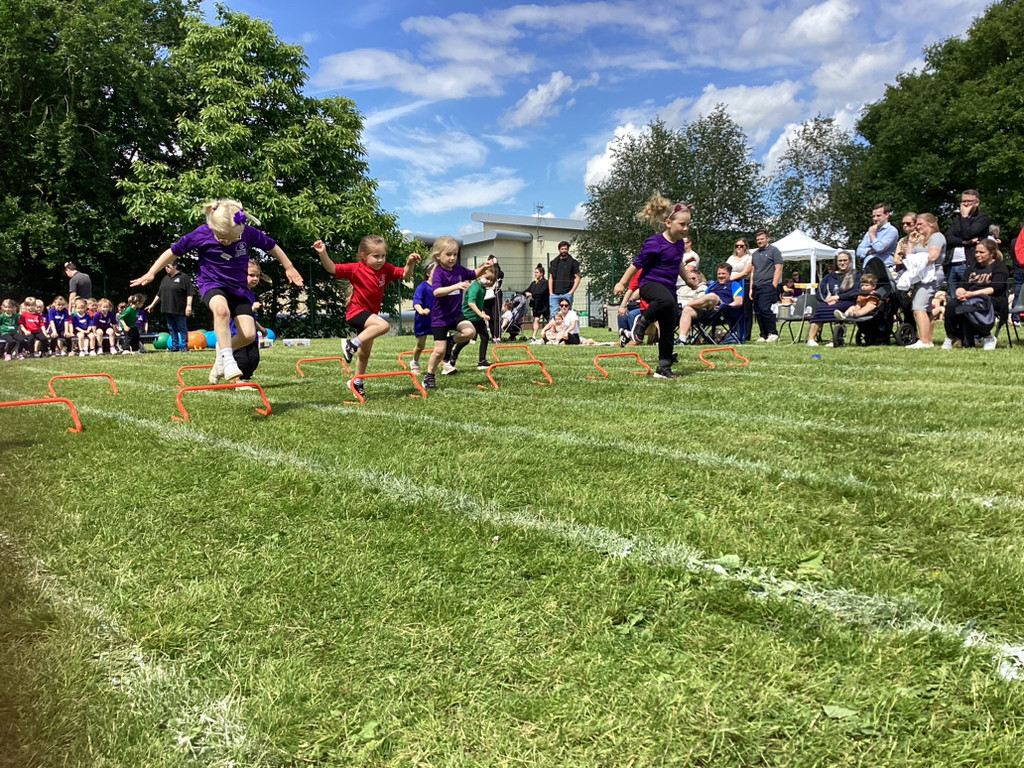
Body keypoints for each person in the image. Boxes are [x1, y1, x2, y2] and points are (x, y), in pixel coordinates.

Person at [131, 198, 304, 383]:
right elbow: (172, 252)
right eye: (222, 238)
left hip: (238, 289)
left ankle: (221, 355)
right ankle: (228, 361)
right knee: (221, 311)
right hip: (211, 284)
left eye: (232, 238)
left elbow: (272, 246)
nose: (227, 241)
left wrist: (289, 267)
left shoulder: (247, 232)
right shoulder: (201, 234)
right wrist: (152, 272)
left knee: (248, 335)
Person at [313, 235, 420, 398]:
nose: (380, 260)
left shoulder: (386, 269)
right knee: (384, 326)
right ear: (363, 255)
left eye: (383, 256)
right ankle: (351, 344)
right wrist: (322, 253)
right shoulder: (356, 269)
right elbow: (332, 268)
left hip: (370, 317)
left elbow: (405, 274)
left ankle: (357, 382)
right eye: (376, 256)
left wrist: (410, 262)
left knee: (365, 354)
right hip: (356, 313)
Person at [613, 194, 692, 379]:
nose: (686, 228)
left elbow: (679, 264)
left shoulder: (679, 244)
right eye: (682, 224)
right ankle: (642, 322)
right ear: (668, 223)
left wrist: (688, 280)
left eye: (688, 225)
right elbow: (636, 265)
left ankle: (663, 368)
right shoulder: (654, 243)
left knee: (668, 326)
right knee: (666, 301)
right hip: (649, 285)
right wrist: (622, 283)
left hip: (669, 289)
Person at [423, 236, 487, 390]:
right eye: (448, 254)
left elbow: (473, 274)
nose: (452, 258)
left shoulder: (458, 270)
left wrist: (484, 268)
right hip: (440, 318)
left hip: (455, 314)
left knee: (470, 332)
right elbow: (437, 292)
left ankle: (451, 342)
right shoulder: (438, 272)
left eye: (455, 254)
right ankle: (429, 376)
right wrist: (455, 286)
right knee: (439, 351)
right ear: (438, 256)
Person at [943, 237, 1007, 350]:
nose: (977, 255)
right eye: (976, 252)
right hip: (970, 297)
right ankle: (951, 336)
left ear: (992, 253)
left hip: (991, 299)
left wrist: (972, 294)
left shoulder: (999, 267)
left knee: (971, 306)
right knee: (951, 305)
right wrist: (960, 291)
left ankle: (987, 336)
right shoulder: (973, 267)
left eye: (981, 252)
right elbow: (963, 283)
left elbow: (995, 288)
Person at [901, 213, 946, 349]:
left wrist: (917, 263)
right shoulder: (922, 239)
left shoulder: (937, 237)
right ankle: (928, 340)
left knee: (919, 307)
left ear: (931, 224)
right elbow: (909, 257)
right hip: (921, 275)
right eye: (917, 224)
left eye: (920, 224)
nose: (917, 227)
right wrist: (911, 242)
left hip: (931, 275)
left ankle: (924, 341)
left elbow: (933, 257)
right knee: (926, 309)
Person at [678, 263, 743, 342]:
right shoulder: (712, 286)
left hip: (722, 312)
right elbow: (703, 299)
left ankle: (684, 305)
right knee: (687, 309)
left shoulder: (734, 285)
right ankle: (682, 339)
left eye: (723, 274)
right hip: (707, 310)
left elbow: (739, 301)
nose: (720, 276)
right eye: (719, 274)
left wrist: (725, 306)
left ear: (729, 274)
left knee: (712, 296)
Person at [806, 251, 859, 346]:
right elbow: (819, 293)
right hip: (829, 301)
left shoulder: (856, 275)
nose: (842, 263)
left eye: (845, 260)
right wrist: (827, 300)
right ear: (836, 262)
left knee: (836, 310)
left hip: (848, 301)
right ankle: (811, 339)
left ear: (850, 261)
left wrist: (838, 297)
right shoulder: (828, 277)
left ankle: (836, 339)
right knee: (820, 308)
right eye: (840, 261)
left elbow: (855, 292)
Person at [944, 189, 990, 297]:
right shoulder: (958, 219)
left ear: (977, 203)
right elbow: (948, 238)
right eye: (963, 201)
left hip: (969, 263)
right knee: (954, 297)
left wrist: (965, 217)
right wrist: (964, 242)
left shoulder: (982, 218)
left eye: (969, 201)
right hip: (954, 263)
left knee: (968, 295)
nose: (965, 204)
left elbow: (968, 234)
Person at [146, 262, 196, 353]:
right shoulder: (165, 278)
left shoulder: (183, 277)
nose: (166, 268)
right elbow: (159, 294)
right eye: (165, 266)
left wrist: (188, 306)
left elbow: (190, 293)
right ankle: (174, 347)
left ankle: (184, 347)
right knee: (172, 328)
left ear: (175, 266)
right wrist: (152, 305)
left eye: (168, 266)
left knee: (182, 328)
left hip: (179, 308)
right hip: (167, 308)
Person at [234, 260, 270, 382]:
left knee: (254, 358)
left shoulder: (251, 294)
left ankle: (246, 379)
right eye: (251, 275)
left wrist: (261, 329)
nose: (255, 278)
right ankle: (238, 379)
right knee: (242, 359)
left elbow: (251, 318)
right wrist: (252, 309)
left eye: (258, 276)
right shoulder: (237, 293)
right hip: (238, 334)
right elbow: (238, 314)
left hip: (252, 335)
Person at [458, 264, 496, 371]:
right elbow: (471, 303)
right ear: (479, 275)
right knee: (466, 339)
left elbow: (479, 303)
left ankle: (482, 361)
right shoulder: (475, 287)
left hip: (478, 318)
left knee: (485, 337)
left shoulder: (482, 288)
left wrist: (480, 313)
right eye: (487, 278)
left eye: (491, 280)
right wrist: (481, 314)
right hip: (469, 317)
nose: (489, 282)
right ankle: (453, 354)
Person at [750, 228, 783, 342]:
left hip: (768, 285)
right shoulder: (754, 254)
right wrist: (751, 288)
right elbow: (753, 271)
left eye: (762, 239)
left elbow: (778, 268)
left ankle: (773, 333)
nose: (759, 241)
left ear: (767, 239)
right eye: (758, 239)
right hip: (756, 286)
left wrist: (774, 285)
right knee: (758, 311)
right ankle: (763, 335)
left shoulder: (774, 251)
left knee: (765, 309)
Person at [410, 263, 436, 375]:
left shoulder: (441, 287)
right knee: (420, 346)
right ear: (428, 273)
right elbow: (416, 302)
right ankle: (415, 362)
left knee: (443, 342)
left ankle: (446, 362)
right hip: (423, 320)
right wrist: (421, 311)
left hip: (437, 320)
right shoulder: (423, 287)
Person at [855, 204, 898, 271]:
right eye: (873, 216)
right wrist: (870, 251)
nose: (875, 219)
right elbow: (859, 251)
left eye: (878, 216)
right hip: (867, 267)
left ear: (887, 215)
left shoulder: (892, 231)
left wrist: (872, 235)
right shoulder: (870, 231)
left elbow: (879, 248)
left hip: (883, 268)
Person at [548, 240, 581, 317]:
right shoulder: (554, 262)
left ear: (568, 249)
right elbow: (551, 278)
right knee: (553, 315)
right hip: (554, 294)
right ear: (559, 250)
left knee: (567, 316)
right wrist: (551, 293)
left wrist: (571, 292)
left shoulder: (573, 263)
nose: (564, 251)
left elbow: (578, 278)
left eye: (565, 249)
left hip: (567, 293)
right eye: (562, 249)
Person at [525, 264, 549, 341]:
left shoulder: (545, 282)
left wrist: (531, 294)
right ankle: (534, 336)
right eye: (535, 272)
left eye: (537, 272)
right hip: (536, 305)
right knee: (536, 319)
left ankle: (549, 334)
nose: (535, 274)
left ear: (541, 273)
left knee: (549, 320)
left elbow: (541, 292)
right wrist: (520, 294)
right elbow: (527, 290)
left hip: (545, 305)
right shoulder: (534, 283)